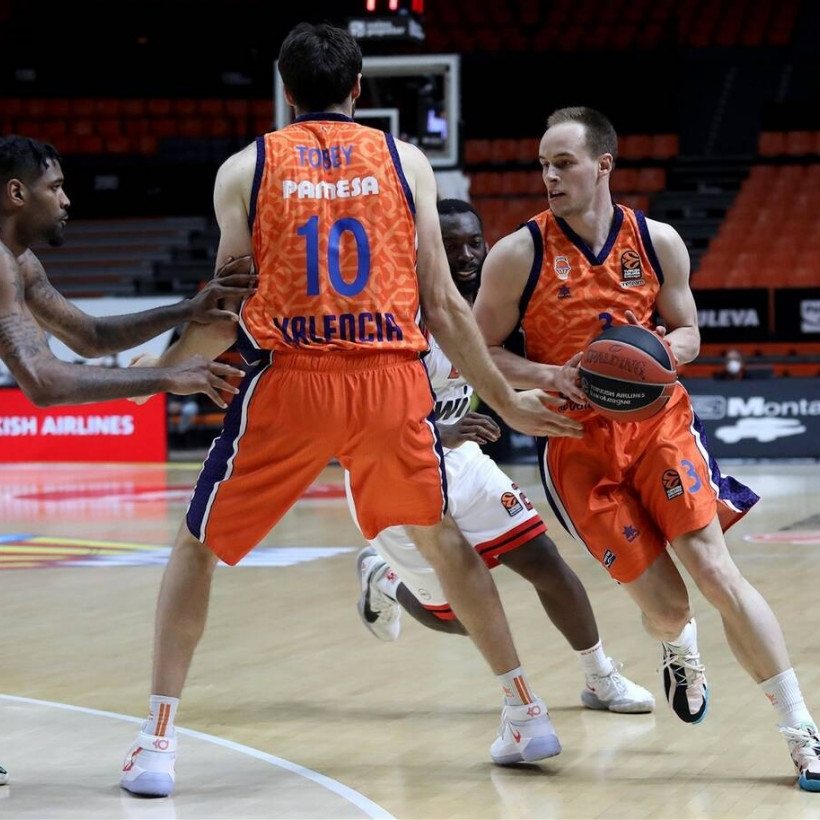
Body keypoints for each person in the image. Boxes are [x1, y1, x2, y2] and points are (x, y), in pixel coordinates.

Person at [119, 24, 584, 798]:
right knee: (443, 539)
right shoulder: (407, 162)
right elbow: (444, 305)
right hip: (389, 381)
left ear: (285, 91)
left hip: (290, 383)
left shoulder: (245, 168)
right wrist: (508, 401)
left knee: (196, 551)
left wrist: (162, 372)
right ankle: (526, 712)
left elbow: (225, 307)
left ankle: (157, 743)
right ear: (359, 89)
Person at [473, 106, 820, 792]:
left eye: (563, 163)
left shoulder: (657, 241)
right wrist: (549, 375)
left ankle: (802, 732)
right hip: (575, 442)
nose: (549, 176)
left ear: (603, 165)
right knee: (668, 607)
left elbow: (688, 332)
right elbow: (477, 349)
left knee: (715, 571)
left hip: (658, 424)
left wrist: (661, 352)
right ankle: (677, 644)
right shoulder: (517, 254)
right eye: (543, 165)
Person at [0, 135, 253, 785]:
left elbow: (88, 337)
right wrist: (167, 377)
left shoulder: (21, 263)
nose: (67, 200)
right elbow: (43, 382)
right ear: (16, 193)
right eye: (56, 187)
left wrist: (186, 310)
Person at [350, 199, 654, 727]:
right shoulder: (391, 312)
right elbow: (355, 414)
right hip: (391, 468)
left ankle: (600, 675)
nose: (467, 255)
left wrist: (541, 390)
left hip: (462, 461)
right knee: (459, 619)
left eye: (474, 243)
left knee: (546, 563)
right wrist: (436, 431)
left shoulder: (490, 304)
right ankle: (384, 579)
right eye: (450, 246)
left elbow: (500, 365)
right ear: (424, 249)